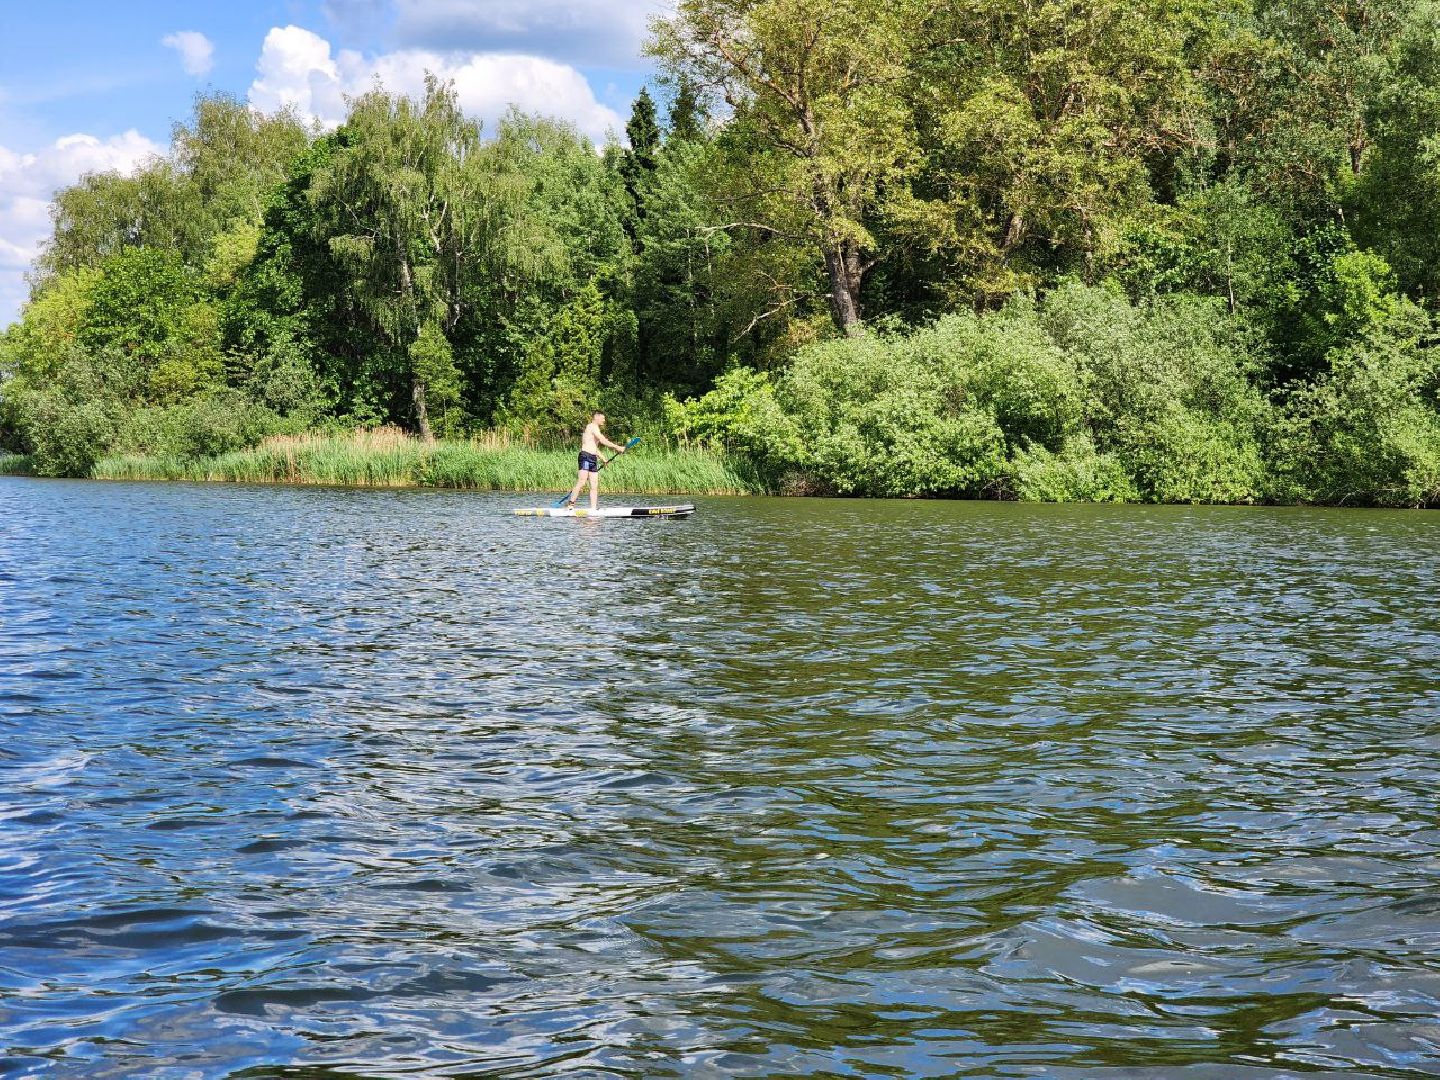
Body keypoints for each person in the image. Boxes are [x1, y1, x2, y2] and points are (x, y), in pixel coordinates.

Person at [564, 412, 627, 510]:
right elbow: (602, 440)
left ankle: (593, 509)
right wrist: (617, 447)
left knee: (594, 484)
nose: (604, 420)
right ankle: (570, 505)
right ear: (596, 417)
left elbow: (595, 448)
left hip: (593, 458)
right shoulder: (591, 426)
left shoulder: (595, 430)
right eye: (603, 418)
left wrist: (603, 459)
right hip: (585, 456)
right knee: (582, 481)